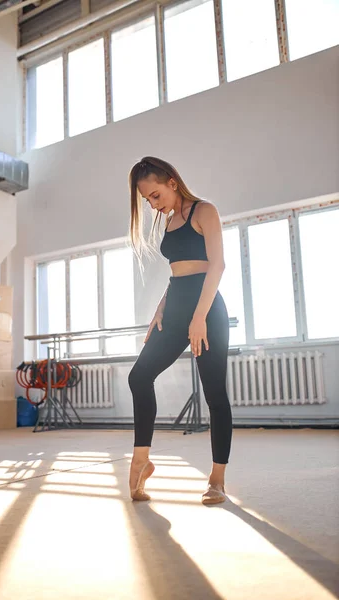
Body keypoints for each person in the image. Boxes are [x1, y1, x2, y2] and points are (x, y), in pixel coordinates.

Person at [128, 156, 232, 505]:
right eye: (147, 201)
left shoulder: (205, 211)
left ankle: (217, 480)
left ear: (172, 182)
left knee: (215, 395)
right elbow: (177, 272)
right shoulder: (169, 221)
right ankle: (142, 461)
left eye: (155, 195)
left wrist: (199, 316)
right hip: (175, 305)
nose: (152, 205)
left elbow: (216, 265)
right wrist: (161, 306)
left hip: (207, 308)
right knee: (139, 377)